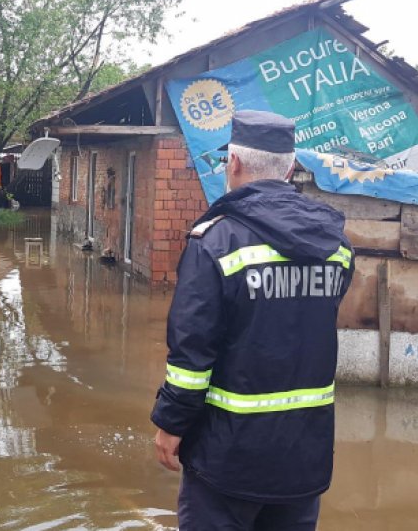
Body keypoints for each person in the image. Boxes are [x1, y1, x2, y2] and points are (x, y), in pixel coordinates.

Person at [150, 110, 355, 530]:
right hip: (304, 457)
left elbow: (191, 354)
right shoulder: (337, 246)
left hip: (226, 460)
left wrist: (171, 424)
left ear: (235, 163)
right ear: (291, 167)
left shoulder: (215, 242)